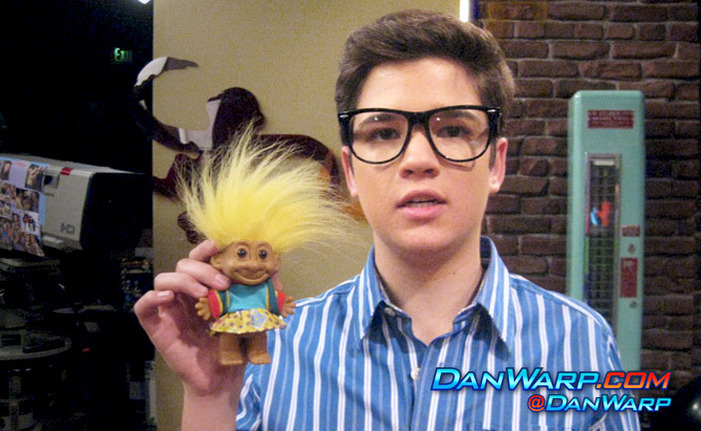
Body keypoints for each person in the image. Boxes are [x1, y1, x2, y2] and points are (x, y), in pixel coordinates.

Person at [135, 9, 640, 431]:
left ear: (496, 163)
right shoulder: (279, 345)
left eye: (453, 129)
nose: (418, 159)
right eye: (382, 133)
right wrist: (210, 396)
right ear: (351, 170)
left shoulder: (578, 343)